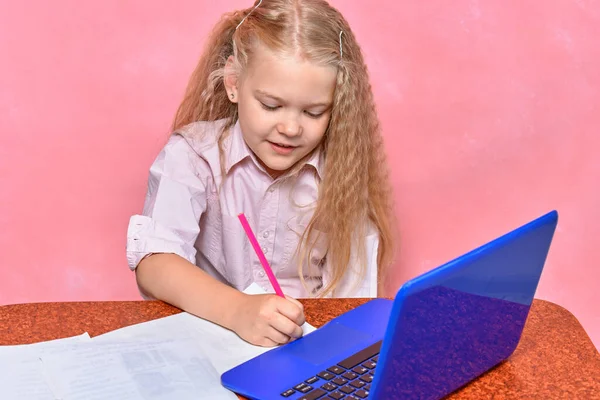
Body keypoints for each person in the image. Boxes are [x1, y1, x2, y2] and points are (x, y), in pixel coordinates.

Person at [126, 0, 395, 347]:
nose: (290, 127)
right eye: (271, 105)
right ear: (234, 82)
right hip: (211, 335)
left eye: (314, 112)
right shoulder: (194, 156)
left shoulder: (343, 174)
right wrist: (239, 311)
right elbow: (154, 261)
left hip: (306, 348)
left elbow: (354, 302)